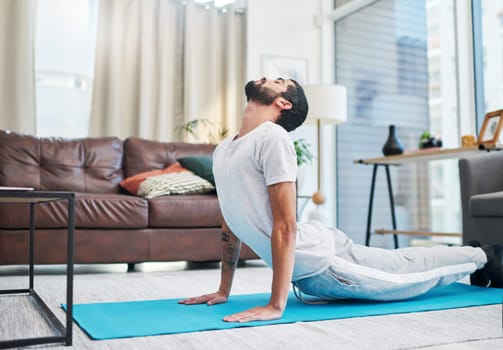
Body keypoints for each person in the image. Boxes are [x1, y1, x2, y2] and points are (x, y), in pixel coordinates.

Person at [179, 77, 503, 323]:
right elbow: (230, 222)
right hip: (311, 268)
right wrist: (224, 290)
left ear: (284, 104)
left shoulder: (273, 138)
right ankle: (475, 252)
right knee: (401, 265)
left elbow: (286, 225)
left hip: (325, 264)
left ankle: (485, 255)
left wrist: (275, 306)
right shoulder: (225, 149)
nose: (266, 77)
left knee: (406, 276)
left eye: (278, 81)